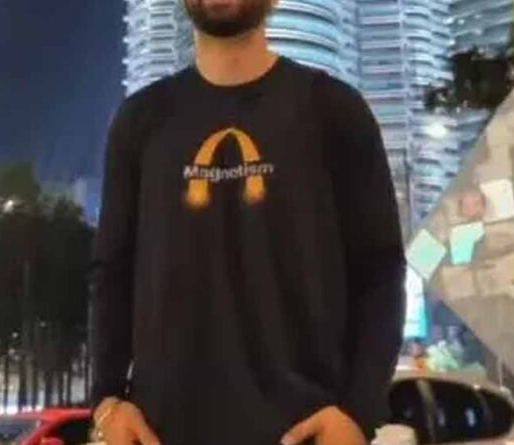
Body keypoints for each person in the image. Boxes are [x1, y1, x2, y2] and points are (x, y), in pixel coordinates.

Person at [91, 0, 406, 444]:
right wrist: (106, 401)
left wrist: (357, 413)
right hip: (162, 430)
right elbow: (112, 271)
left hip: (304, 431)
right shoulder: (139, 120)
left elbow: (381, 270)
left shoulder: (335, 110)